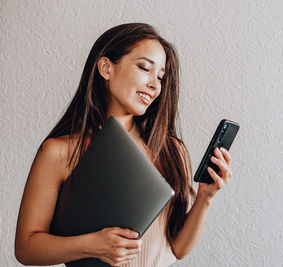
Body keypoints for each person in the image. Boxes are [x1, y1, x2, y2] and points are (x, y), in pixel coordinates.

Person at [14, 23, 233, 267]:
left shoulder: (171, 150)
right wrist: (91, 244)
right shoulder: (59, 152)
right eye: (144, 68)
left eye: (160, 77)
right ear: (106, 68)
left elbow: (178, 249)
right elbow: (26, 248)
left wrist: (205, 196)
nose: (155, 85)